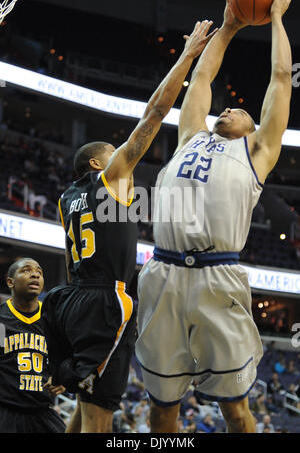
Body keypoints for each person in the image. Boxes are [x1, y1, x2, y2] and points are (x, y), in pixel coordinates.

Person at [40, 21, 218, 434]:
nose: (124, 156)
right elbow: (156, 111)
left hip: (68, 300)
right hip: (105, 302)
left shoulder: (68, 198)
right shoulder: (111, 178)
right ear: (100, 164)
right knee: (99, 418)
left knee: (83, 408)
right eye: (113, 150)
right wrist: (188, 55)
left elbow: (71, 261)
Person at [135, 0, 292, 433]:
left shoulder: (258, 151)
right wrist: (227, 27)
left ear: (254, 128)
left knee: (234, 408)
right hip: (162, 272)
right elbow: (201, 80)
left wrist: (277, 18)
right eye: (226, 108)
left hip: (217, 275)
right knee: (162, 406)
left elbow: (281, 79)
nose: (229, 110)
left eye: (240, 111)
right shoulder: (190, 136)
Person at [0, 258, 66, 433]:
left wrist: (62, 378)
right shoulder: (1, 321)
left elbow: (65, 360)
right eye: (26, 270)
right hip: (6, 412)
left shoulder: (53, 319)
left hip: (42, 411)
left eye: (39, 272)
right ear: (10, 282)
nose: (35, 274)